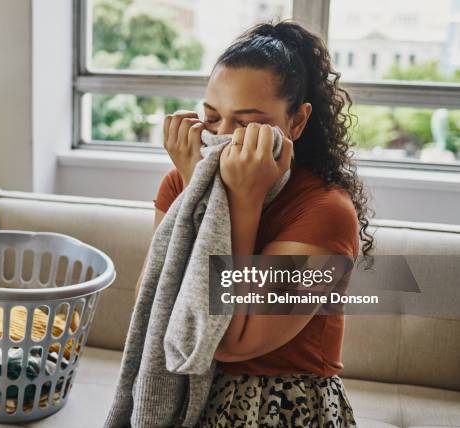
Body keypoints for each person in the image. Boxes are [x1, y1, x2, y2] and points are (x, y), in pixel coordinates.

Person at [137, 20, 374, 427]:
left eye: (246, 125)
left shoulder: (326, 213)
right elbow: (155, 303)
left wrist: (240, 202)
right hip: (189, 392)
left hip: (283, 406)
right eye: (212, 120)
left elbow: (230, 340)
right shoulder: (183, 180)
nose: (225, 139)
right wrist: (202, 192)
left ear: (296, 123)